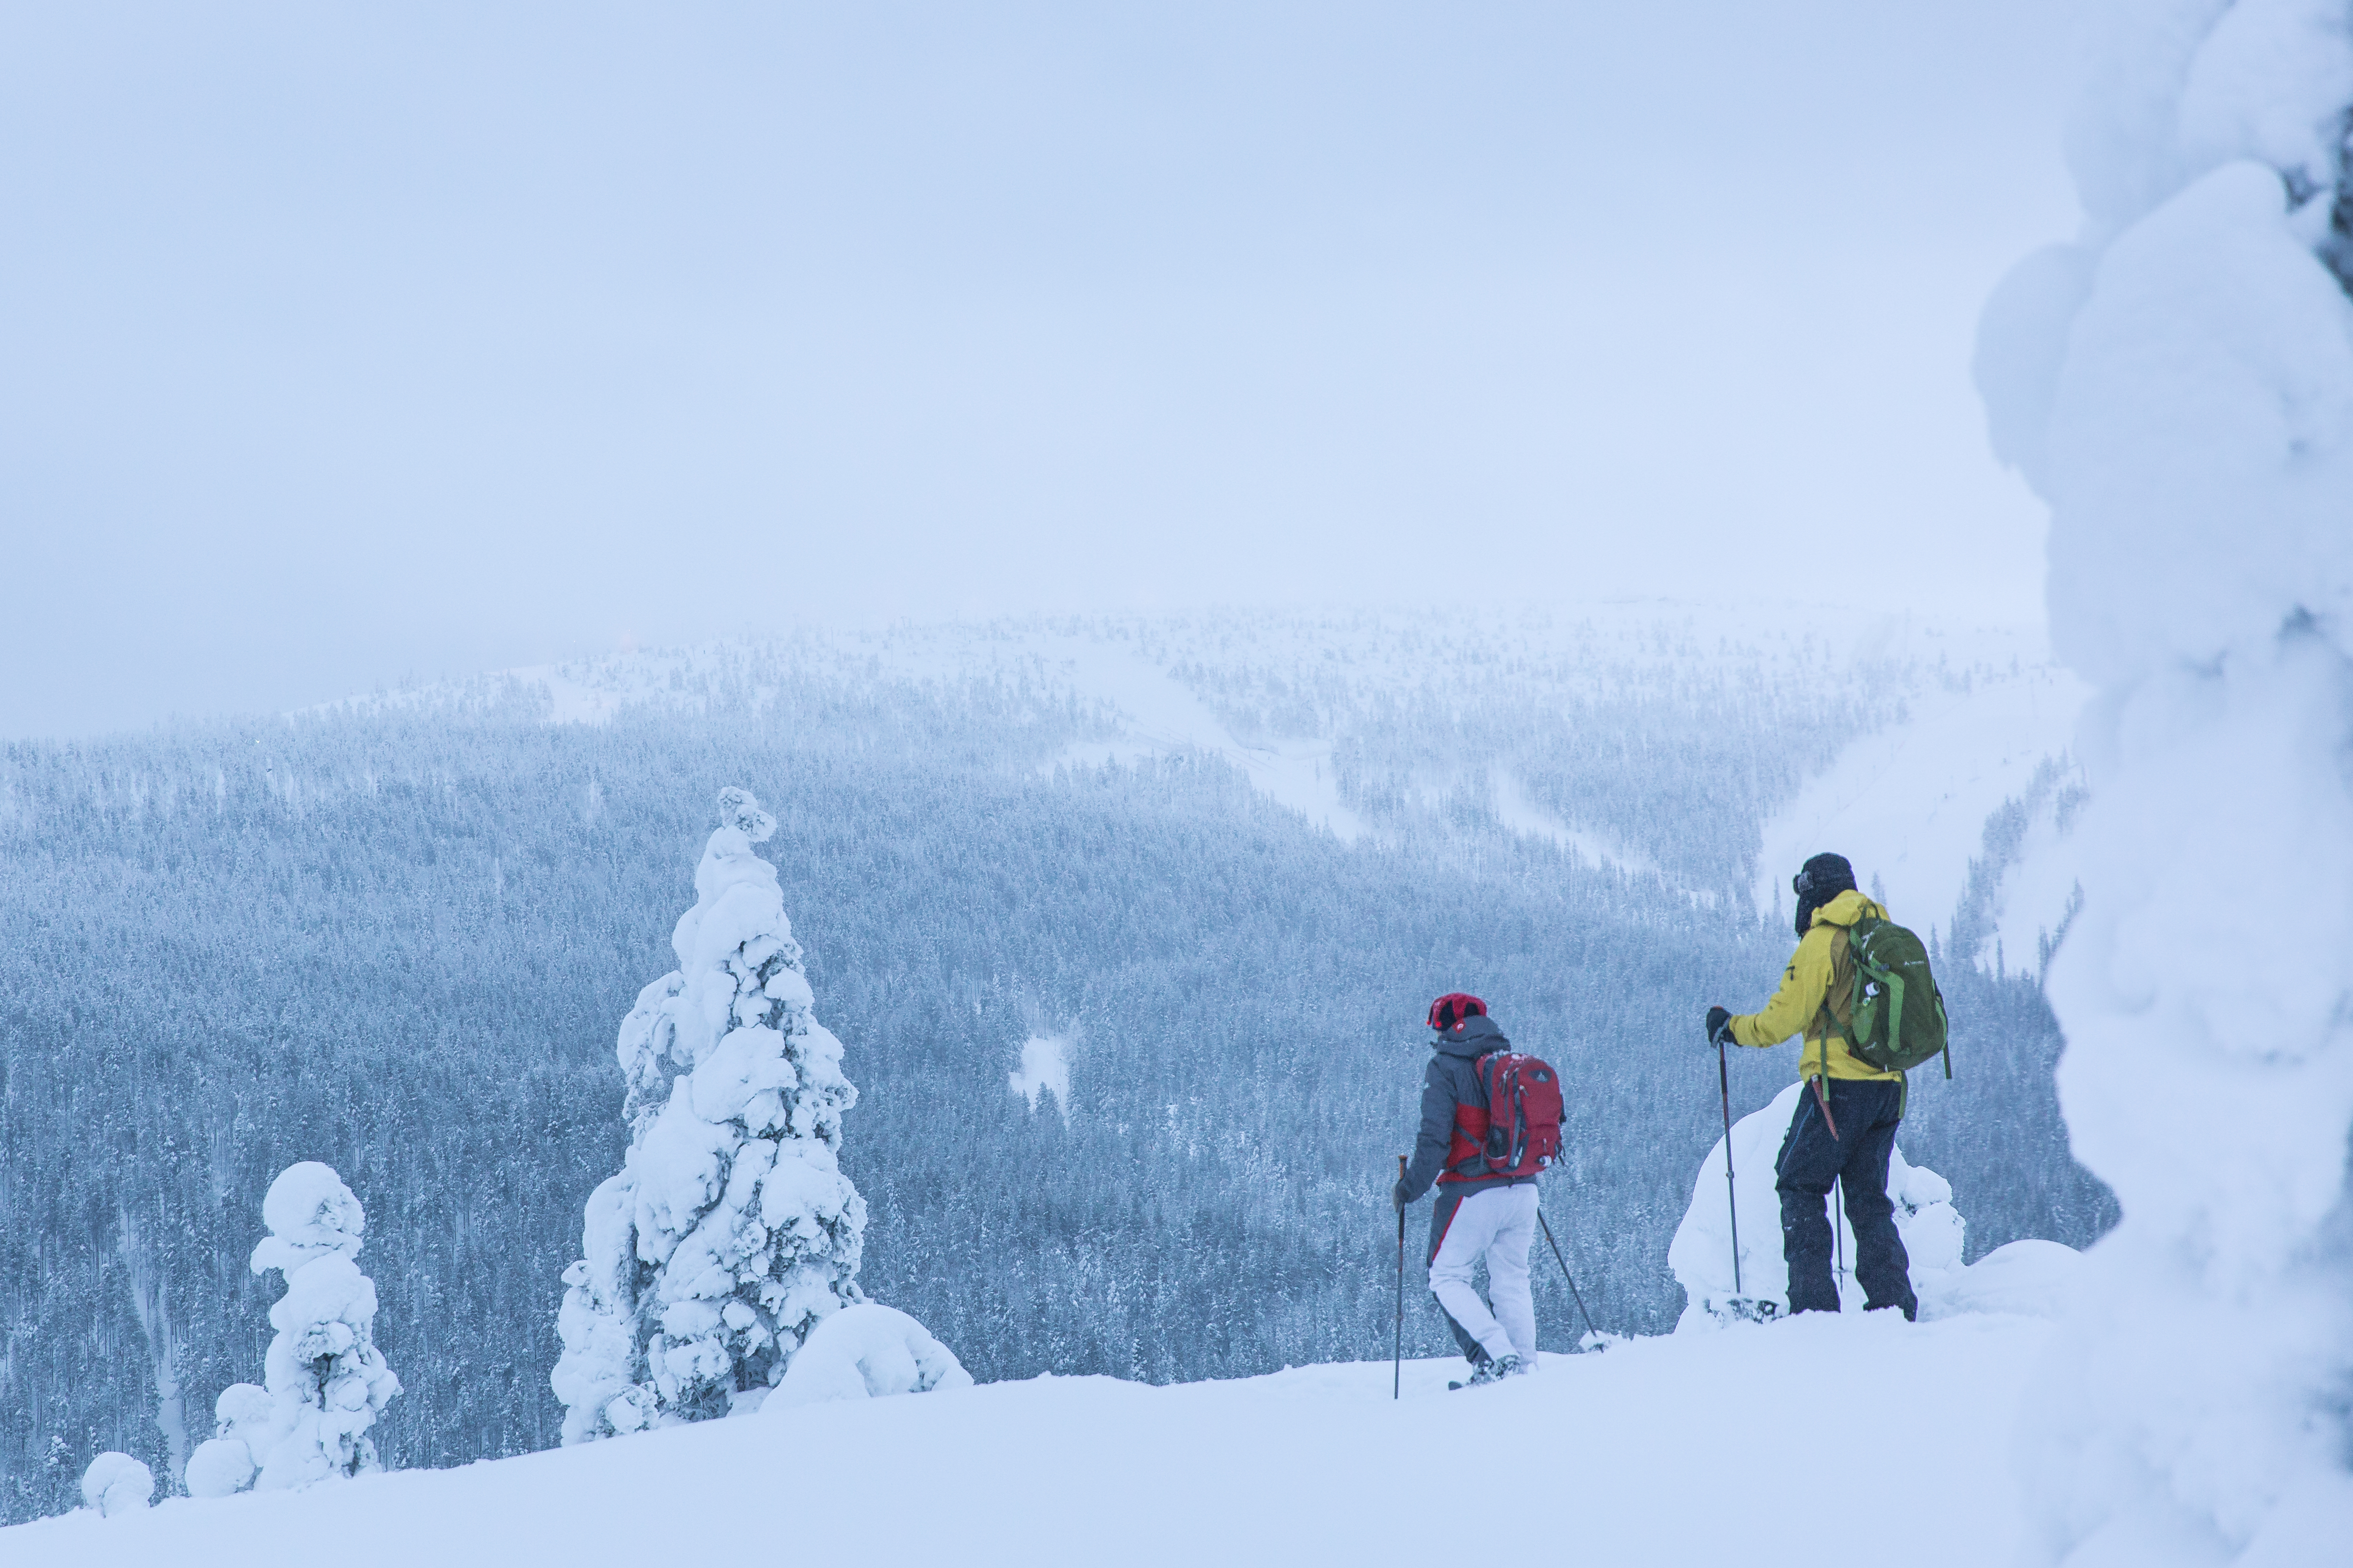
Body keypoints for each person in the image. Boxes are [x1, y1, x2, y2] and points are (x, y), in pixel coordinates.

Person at [1704, 852, 1918, 1319]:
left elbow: (1785, 1018)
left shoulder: (1824, 940)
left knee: (1799, 1184)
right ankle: (1894, 1305)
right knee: (1867, 1198)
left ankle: (1813, 1309)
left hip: (1838, 1087)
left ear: (1812, 891)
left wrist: (1733, 1028)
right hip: (1889, 1088)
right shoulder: (1879, 932)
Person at [1391, 992, 1538, 1386]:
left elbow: (1435, 1139)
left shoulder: (1446, 1066)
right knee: (1512, 1278)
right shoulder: (1507, 1061)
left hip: (1474, 1191)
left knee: (1446, 1276)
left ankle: (1495, 1360)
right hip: (1523, 1188)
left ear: (1444, 1026)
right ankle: (1523, 1368)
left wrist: (1408, 1189)